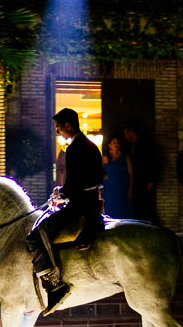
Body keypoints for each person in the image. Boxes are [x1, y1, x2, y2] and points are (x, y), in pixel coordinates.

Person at [26, 108, 104, 314]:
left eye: (59, 128)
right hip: (92, 204)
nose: (58, 132)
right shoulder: (92, 146)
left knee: (35, 237)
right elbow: (96, 179)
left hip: (78, 207)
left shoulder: (74, 148)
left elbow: (76, 182)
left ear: (68, 125)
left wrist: (63, 194)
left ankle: (54, 285)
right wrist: (64, 191)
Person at [122, 124, 158, 222]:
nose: (125, 137)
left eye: (126, 134)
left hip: (145, 181)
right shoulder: (132, 146)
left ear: (131, 133)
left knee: (146, 207)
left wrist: (151, 181)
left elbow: (153, 162)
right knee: (138, 207)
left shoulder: (146, 144)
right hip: (136, 181)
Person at [102, 136, 134, 219]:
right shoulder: (105, 158)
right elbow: (97, 171)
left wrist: (130, 189)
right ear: (109, 145)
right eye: (114, 143)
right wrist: (103, 176)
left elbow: (131, 174)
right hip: (110, 189)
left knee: (124, 211)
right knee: (111, 211)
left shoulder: (125, 157)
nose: (116, 144)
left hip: (123, 187)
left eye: (117, 143)